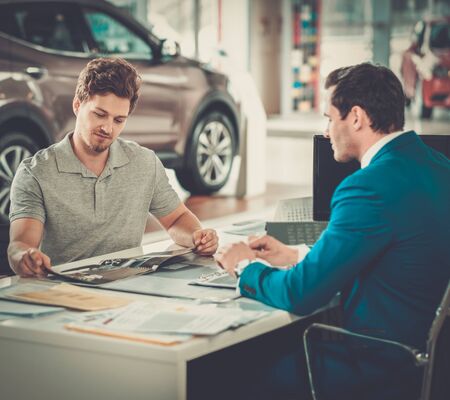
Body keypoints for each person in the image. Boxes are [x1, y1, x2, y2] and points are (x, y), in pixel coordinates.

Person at [216, 63, 450, 399]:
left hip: (383, 367)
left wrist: (243, 266)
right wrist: (297, 255)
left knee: (230, 372)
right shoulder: (440, 167)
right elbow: (396, 254)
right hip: (433, 366)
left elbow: (302, 293)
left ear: (355, 117)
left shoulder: (366, 187)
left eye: (329, 117)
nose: (326, 131)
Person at [8, 57, 218, 277]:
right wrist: (25, 256)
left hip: (130, 290)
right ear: (77, 105)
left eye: (119, 120)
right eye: (100, 115)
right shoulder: (36, 172)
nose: (108, 128)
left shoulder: (145, 163)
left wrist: (198, 236)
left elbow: (176, 219)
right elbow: (21, 243)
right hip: (66, 290)